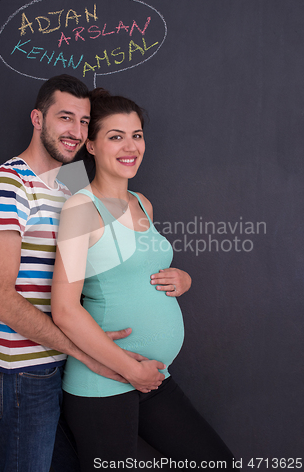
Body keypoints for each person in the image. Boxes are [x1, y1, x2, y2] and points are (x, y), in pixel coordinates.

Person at [0, 74, 192, 472]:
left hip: (63, 358)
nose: (75, 131)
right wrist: (90, 355)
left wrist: (173, 276)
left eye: (83, 121)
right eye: (65, 118)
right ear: (37, 119)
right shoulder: (8, 185)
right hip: (24, 367)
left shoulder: (71, 181)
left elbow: (106, 258)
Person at [51, 88, 234, 470]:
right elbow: (65, 310)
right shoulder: (80, 209)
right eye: (115, 136)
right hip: (105, 382)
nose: (130, 146)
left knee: (217, 462)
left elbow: (138, 268)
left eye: (136, 135)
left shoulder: (142, 202)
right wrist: (130, 369)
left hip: (151, 376)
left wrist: (182, 278)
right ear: (91, 144)